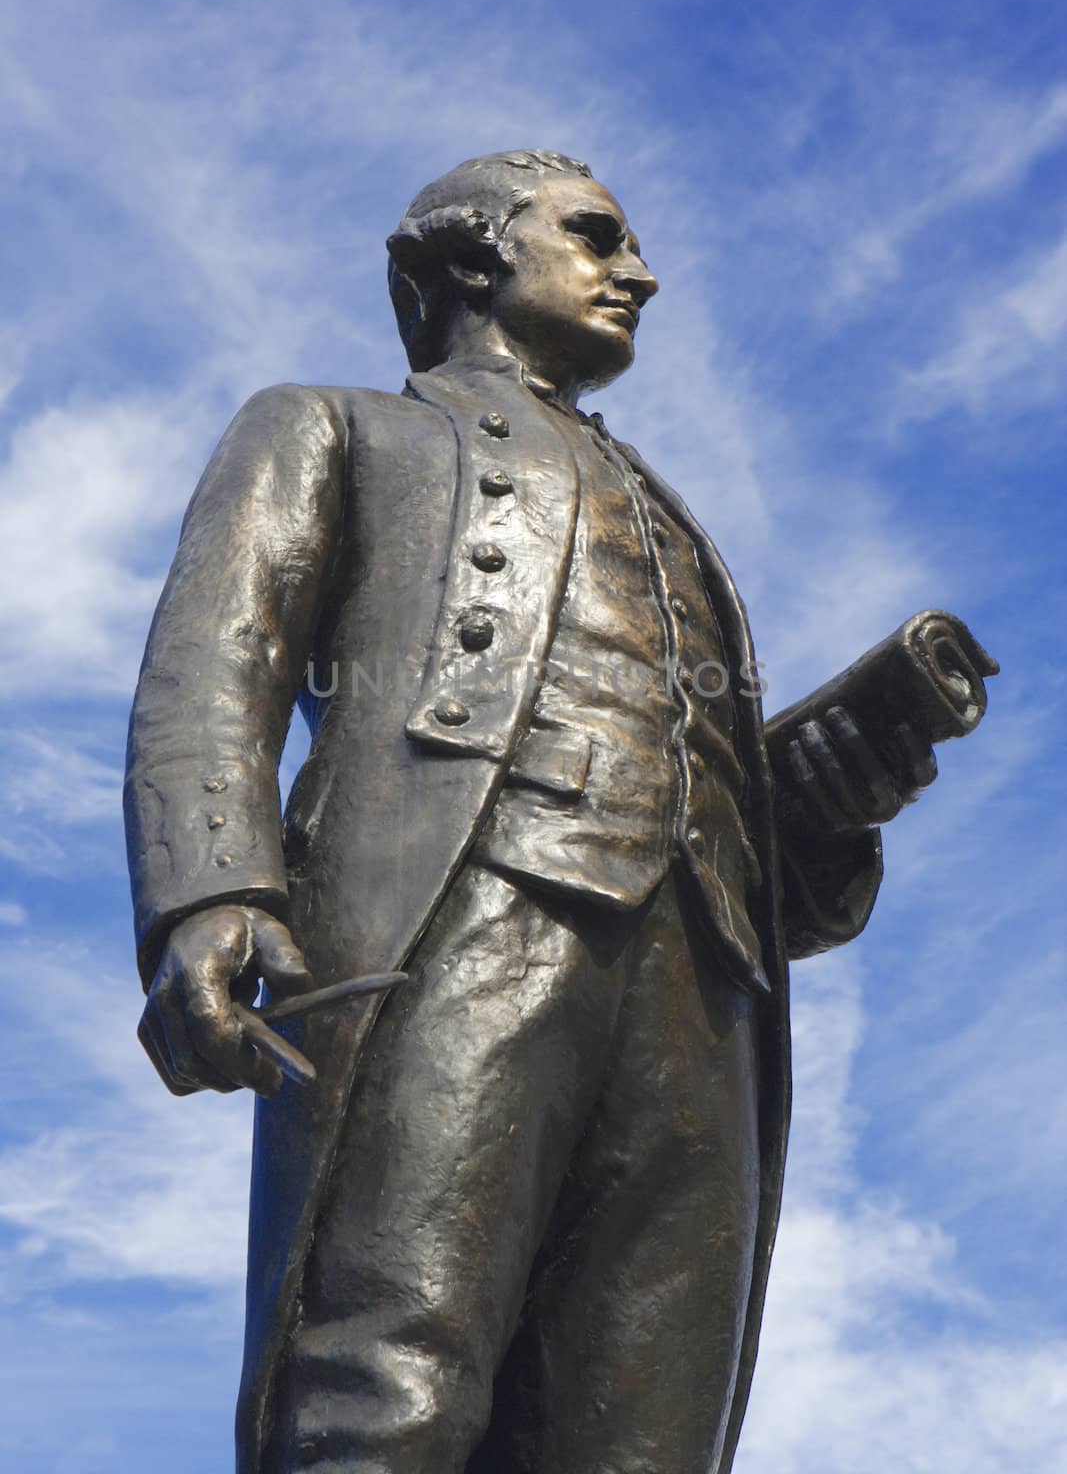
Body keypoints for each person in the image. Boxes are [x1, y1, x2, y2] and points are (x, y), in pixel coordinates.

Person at [126, 151, 936, 1472]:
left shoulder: (683, 523)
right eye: (595, 235)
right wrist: (210, 890)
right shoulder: (330, 427)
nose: (641, 271)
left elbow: (744, 833)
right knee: (385, 1383)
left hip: (699, 980)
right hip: (453, 919)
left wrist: (833, 808)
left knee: (642, 1430)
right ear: (465, 261)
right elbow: (218, 660)